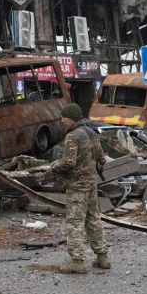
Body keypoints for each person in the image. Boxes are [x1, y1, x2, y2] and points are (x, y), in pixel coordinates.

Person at [48, 102, 110, 274]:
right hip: (91, 185)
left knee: (75, 222)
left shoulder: (72, 136)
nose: (61, 120)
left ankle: (77, 262)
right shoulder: (92, 132)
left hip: (77, 187)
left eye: (64, 117)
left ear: (72, 118)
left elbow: (68, 163)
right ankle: (103, 257)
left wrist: (53, 169)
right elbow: (102, 159)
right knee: (93, 219)